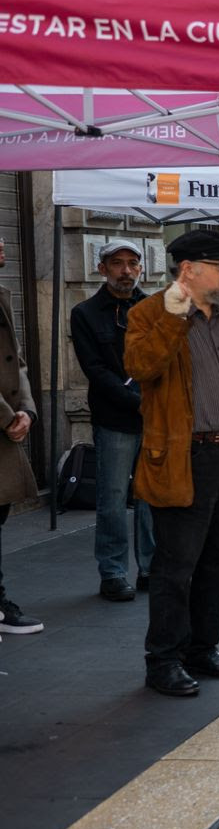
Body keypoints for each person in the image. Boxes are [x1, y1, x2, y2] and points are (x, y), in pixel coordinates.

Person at [124, 229, 219, 696]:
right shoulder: (147, 313)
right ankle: (162, 660)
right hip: (185, 456)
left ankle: (202, 649)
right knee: (177, 564)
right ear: (189, 269)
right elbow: (141, 367)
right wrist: (174, 314)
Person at [69, 239, 155, 602]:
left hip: (155, 417)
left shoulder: (153, 307)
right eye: (117, 263)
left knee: (154, 497)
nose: (126, 270)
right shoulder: (86, 313)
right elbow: (96, 370)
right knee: (113, 498)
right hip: (115, 418)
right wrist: (136, 401)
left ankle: (152, 567)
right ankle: (114, 572)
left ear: (140, 268)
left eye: (132, 263)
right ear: (102, 269)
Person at [0, 234, 40, 637]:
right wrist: (8, 416)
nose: (3, 250)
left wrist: (27, 409)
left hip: (8, 427)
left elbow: (19, 362)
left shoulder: (2, 294)